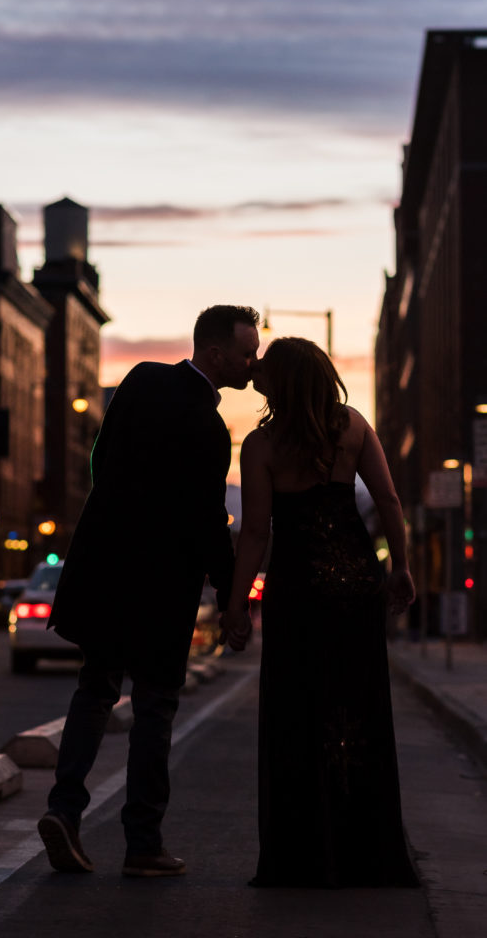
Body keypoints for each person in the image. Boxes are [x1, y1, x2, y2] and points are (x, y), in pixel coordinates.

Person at [38, 304, 260, 878]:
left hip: (104, 568)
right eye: (246, 353)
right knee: (155, 707)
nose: (253, 363)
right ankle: (142, 844)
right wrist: (232, 599)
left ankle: (64, 810)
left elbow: (100, 456)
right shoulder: (210, 429)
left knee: (95, 689)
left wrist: (115, 515)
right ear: (216, 353)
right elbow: (209, 521)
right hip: (161, 586)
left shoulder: (139, 380)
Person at [222, 337, 418, 888]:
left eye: (265, 366)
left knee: (298, 708)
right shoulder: (353, 426)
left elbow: (255, 533)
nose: (255, 371)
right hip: (357, 583)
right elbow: (389, 501)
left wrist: (237, 606)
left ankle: (304, 851)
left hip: (298, 587)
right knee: (359, 705)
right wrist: (401, 567)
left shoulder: (262, 445)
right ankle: (365, 849)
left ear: (284, 380)